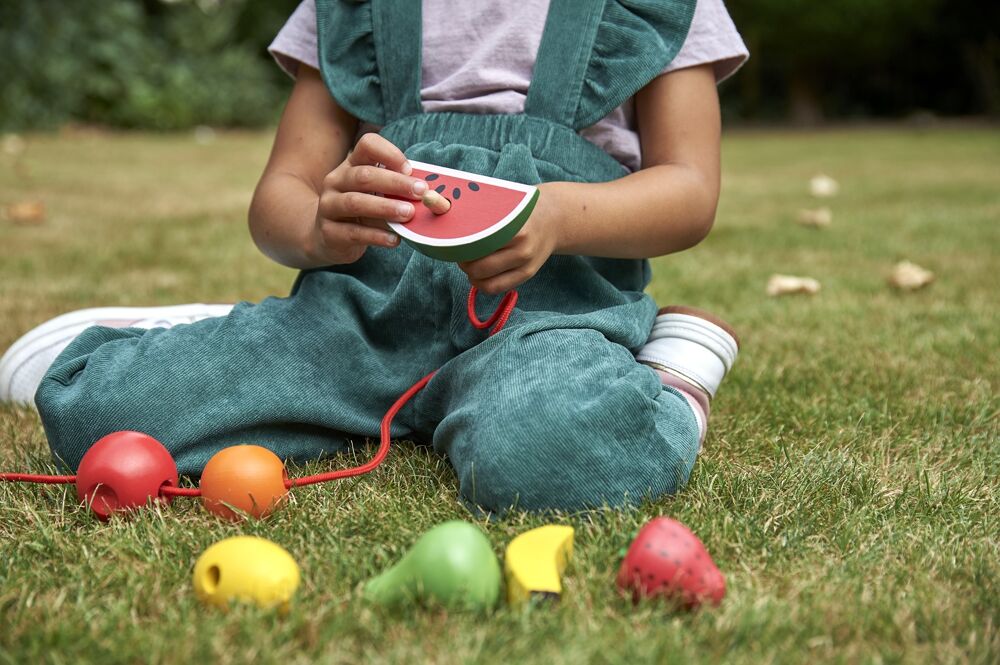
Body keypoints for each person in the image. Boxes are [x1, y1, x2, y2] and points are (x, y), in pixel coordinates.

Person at [2, 0, 747, 513]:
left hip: (545, 316)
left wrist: (554, 213)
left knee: (546, 455)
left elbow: (691, 191)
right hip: (357, 316)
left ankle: (674, 379)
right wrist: (322, 224)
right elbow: (279, 201)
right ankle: (232, 337)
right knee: (97, 412)